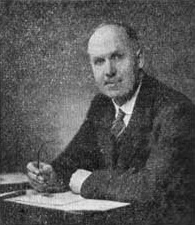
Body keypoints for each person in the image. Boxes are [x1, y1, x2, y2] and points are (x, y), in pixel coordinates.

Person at [27, 22, 195, 224]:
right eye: (99, 61)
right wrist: (51, 175)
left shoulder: (175, 110)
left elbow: (154, 187)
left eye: (117, 57)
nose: (109, 71)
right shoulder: (102, 105)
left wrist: (89, 182)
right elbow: (73, 161)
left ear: (139, 59)